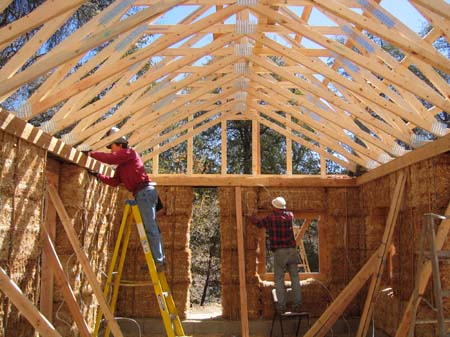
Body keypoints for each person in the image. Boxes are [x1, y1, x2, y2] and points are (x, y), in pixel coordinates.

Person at [85, 127, 166, 272]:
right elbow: (115, 182)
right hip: (140, 194)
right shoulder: (122, 167)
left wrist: (91, 154)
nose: (111, 151)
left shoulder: (130, 153)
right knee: (149, 227)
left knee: (150, 228)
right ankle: (157, 261)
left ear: (120, 144)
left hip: (145, 192)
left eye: (112, 147)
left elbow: (111, 159)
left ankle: (159, 261)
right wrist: (98, 176)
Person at [249, 196, 302, 313]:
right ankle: (297, 303)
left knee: (279, 279)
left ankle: (282, 306)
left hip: (280, 252)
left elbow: (258, 223)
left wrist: (249, 217)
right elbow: (287, 212)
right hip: (292, 251)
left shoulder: (271, 218)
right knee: (295, 278)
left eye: (273, 206)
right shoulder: (290, 216)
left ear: (275, 208)